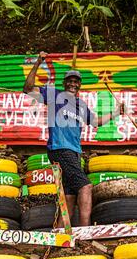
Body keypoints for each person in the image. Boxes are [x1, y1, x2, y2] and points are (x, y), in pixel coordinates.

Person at [23, 51, 124, 227]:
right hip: (60, 148)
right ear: (64, 83)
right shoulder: (55, 95)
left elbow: (95, 122)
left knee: (70, 197)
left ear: (79, 85)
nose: (72, 83)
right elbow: (28, 89)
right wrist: (38, 62)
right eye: (69, 80)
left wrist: (116, 112)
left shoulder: (81, 105)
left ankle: (61, 236)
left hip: (75, 152)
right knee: (85, 187)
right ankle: (85, 232)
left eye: (76, 81)